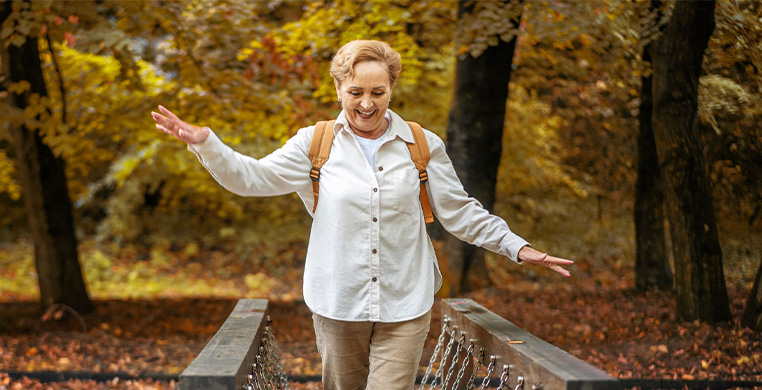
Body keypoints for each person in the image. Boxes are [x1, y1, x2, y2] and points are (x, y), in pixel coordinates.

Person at [151, 39, 573, 390]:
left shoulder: (421, 145)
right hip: (337, 303)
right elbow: (252, 178)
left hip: (405, 303)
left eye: (378, 92)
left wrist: (518, 248)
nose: (367, 104)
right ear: (338, 90)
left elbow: (460, 212)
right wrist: (207, 143)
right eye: (356, 93)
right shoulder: (314, 143)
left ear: (392, 90)